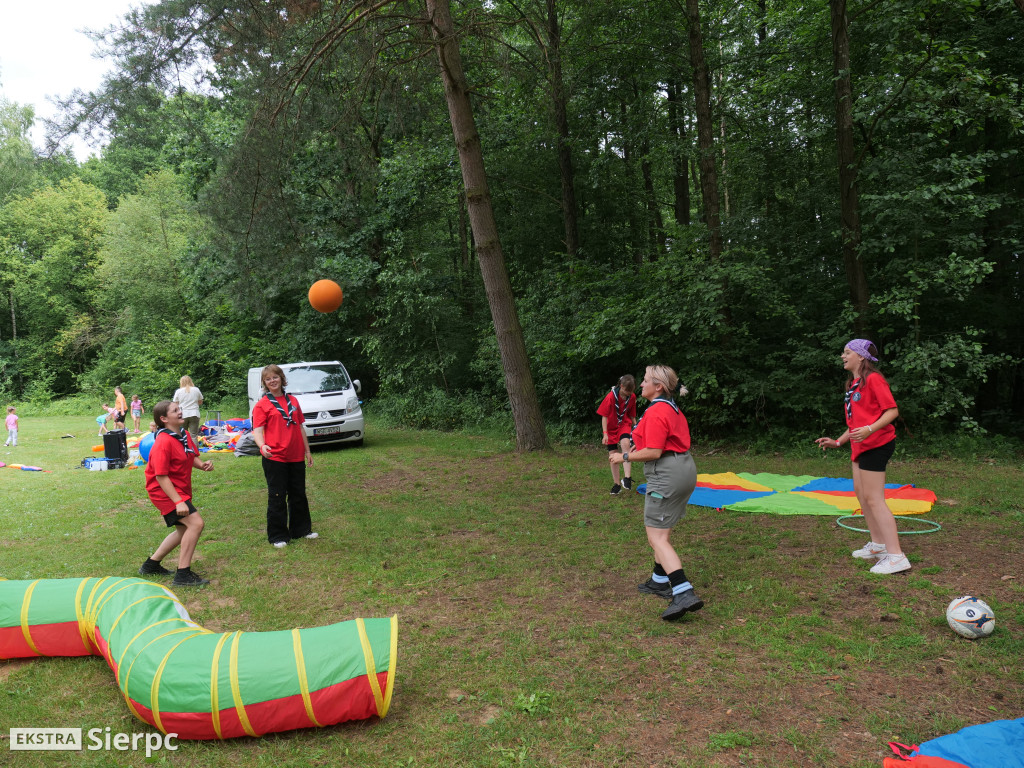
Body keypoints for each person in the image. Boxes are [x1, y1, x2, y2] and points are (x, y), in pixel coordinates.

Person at [610, 365, 704, 621]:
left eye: (645, 381)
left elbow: (653, 451)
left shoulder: (657, 411)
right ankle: (659, 580)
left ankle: (683, 591)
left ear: (658, 386)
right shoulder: (670, 408)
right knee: (662, 531)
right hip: (684, 469)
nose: (641, 384)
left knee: (657, 538)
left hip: (666, 475)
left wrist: (623, 456)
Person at [816, 339, 909, 575]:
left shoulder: (874, 379)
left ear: (861, 356)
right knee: (862, 495)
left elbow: (892, 411)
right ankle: (878, 546)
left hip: (877, 444)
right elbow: (856, 423)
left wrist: (870, 429)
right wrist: (838, 441)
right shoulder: (853, 384)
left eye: (847, 352)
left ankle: (896, 556)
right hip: (860, 446)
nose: (842, 356)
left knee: (874, 498)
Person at [138, 400, 214, 587]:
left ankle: (150, 565)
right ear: (164, 419)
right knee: (196, 524)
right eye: (175, 410)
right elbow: (161, 476)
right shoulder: (163, 442)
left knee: (183, 529)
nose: (180, 412)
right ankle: (183, 575)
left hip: (178, 488)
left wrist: (202, 465)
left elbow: (192, 456)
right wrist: (178, 501)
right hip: (163, 491)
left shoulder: (184, 434)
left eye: (179, 409)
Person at [251, 364, 317, 548]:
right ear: (264, 383)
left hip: (295, 455)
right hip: (275, 457)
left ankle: (301, 530)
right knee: (277, 495)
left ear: (281, 378)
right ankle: (278, 536)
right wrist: (262, 445)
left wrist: (307, 451)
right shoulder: (262, 405)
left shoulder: (293, 401)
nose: (272, 381)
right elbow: (257, 430)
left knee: (298, 494)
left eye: (275, 377)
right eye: (268, 379)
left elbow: (300, 427)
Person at [597, 375, 638, 495]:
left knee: (626, 443)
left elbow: (632, 414)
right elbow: (604, 416)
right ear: (621, 386)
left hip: (624, 424)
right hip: (611, 427)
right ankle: (617, 484)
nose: (628, 394)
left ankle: (627, 478)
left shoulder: (632, 397)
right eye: (626, 391)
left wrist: (636, 430)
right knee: (613, 455)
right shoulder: (610, 397)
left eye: (631, 391)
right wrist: (605, 434)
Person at [172, 376, 204, 440]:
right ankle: (194, 450)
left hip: (183, 414)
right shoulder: (196, 389)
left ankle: (184, 449)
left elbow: (175, 403)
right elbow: (200, 401)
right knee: (194, 435)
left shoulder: (178, 391)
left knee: (183, 434)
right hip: (194, 413)